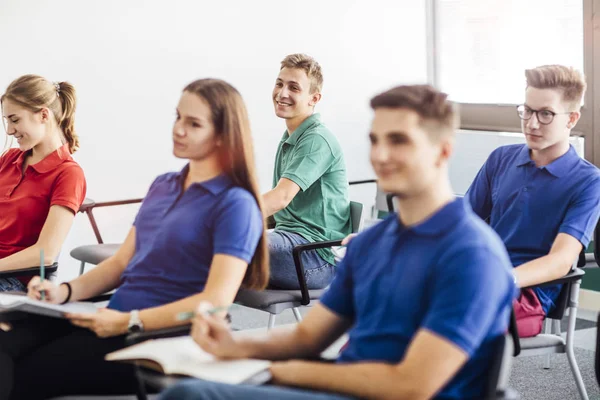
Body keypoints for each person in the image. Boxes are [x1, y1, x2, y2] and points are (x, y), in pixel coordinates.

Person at [160, 84, 516, 400]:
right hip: (343, 386)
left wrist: (287, 373)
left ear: (442, 151)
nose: (380, 155)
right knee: (184, 390)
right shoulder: (371, 242)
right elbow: (307, 339)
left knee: (192, 395)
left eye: (399, 141)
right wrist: (234, 345)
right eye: (375, 140)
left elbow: (411, 387)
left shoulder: (472, 255)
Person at [0, 78, 269, 400]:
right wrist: (64, 291)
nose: (179, 129)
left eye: (193, 123)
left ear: (224, 135)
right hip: (110, 317)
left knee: (22, 373)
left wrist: (131, 320)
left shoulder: (236, 204)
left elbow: (216, 303)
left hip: (156, 335)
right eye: (178, 117)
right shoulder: (164, 185)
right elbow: (120, 263)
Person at [466, 65, 600, 337]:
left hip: (527, 296)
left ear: (571, 119)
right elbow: (456, 221)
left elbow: (561, 261)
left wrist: (502, 279)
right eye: (527, 110)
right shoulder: (501, 158)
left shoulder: (589, 181)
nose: (532, 123)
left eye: (546, 114)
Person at [263, 53, 350, 290]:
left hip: (313, 257)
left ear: (314, 98)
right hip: (290, 243)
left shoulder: (316, 140)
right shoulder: (291, 138)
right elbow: (279, 210)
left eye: (294, 87)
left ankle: (185, 319)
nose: (282, 93)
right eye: (279, 83)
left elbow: (280, 198)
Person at [0, 74, 86, 290]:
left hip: (16, 281)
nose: (9, 130)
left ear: (43, 115)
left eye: (15, 119)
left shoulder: (68, 174)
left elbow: (46, 253)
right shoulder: (9, 159)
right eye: (7, 121)